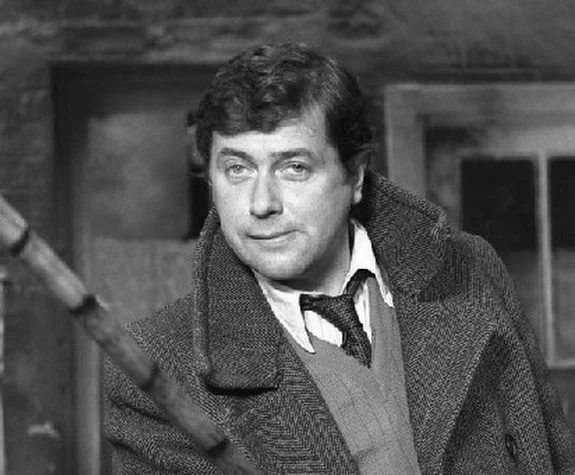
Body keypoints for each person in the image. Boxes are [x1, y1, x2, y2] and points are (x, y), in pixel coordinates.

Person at [103, 42, 575, 474]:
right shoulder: (158, 368)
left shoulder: (470, 270)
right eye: (237, 168)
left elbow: (552, 453)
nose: (261, 203)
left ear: (356, 177)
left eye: (294, 167)